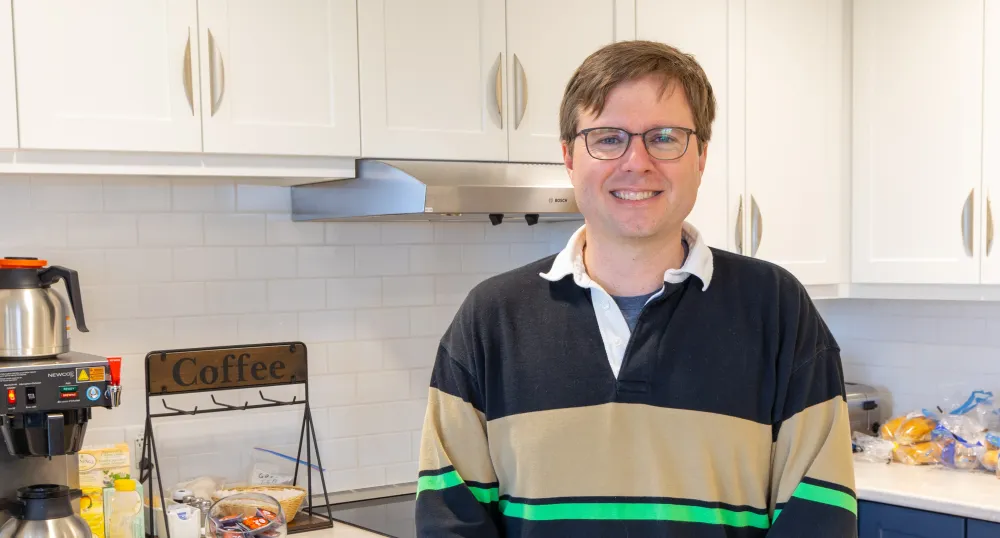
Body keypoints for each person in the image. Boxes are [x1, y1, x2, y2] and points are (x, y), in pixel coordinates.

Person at [414, 40, 857, 538]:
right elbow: (450, 523)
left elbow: (819, 518)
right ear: (568, 156)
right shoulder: (490, 319)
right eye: (608, 138)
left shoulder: (777, 309)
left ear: (702, 157)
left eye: (665, 137)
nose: (637, 162)